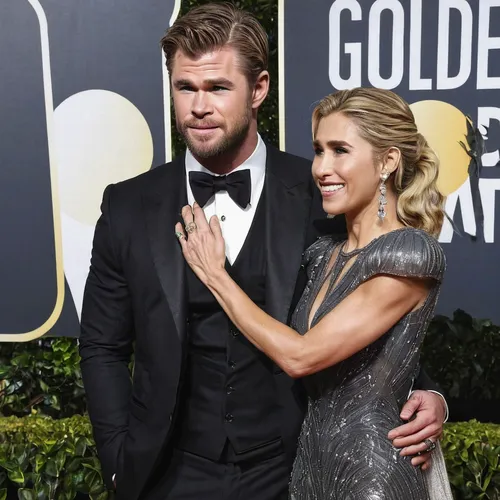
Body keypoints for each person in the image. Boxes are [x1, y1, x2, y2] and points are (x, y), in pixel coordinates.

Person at [79, 4, 448, 500]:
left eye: (218, 88)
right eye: (184, 87)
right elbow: (102, 346)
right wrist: (120, 462)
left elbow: (372, 306)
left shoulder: (324, 192)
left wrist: (428, 394)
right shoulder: (127, 206)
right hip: (169, 473)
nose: (198, 107)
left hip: (291, 469)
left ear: (259, 90)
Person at [176, 87, 454, 500]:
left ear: (388, 161)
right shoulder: (322, 253)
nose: (322, 167)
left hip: (372, 475)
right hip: (307, 469)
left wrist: (215, 275)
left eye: (340, 150)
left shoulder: (410, 252)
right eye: (319, 150)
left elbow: (301, 355)